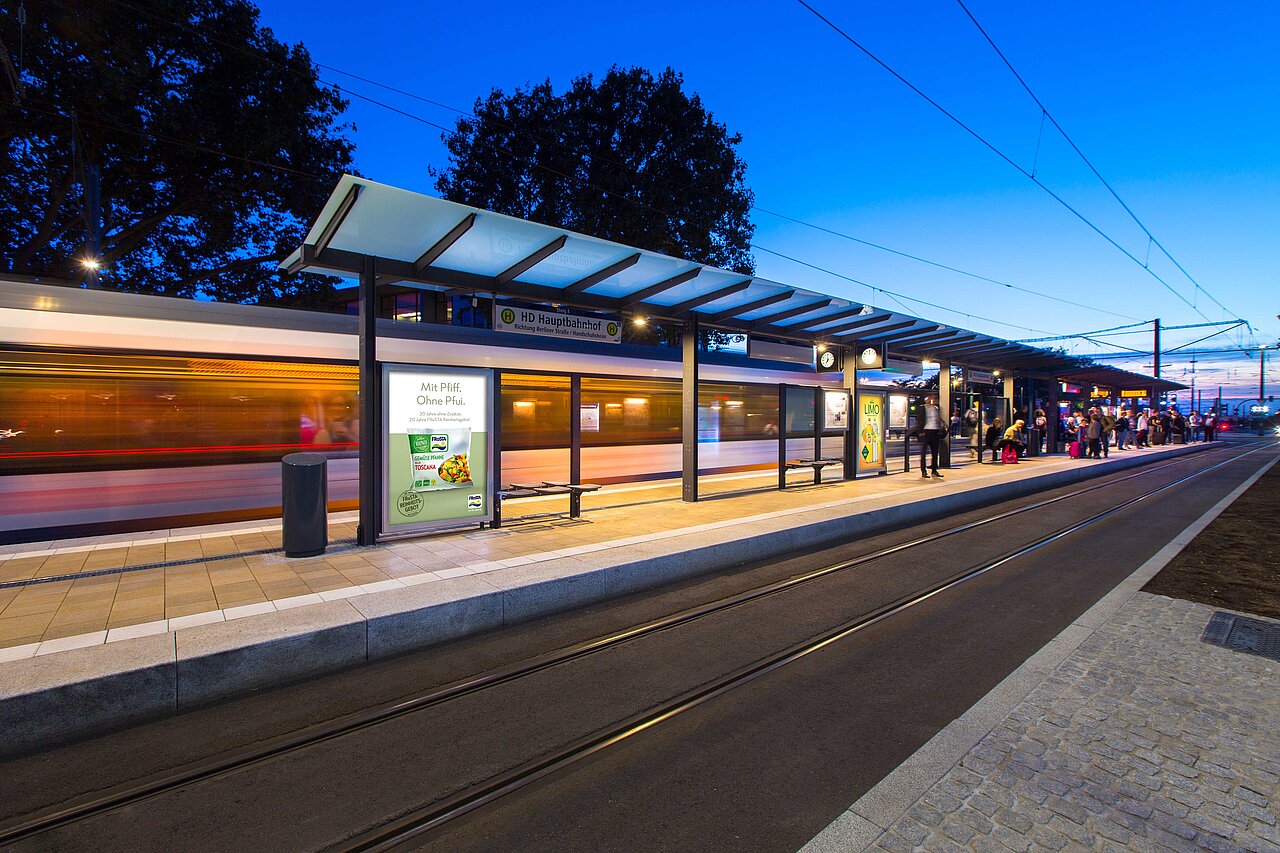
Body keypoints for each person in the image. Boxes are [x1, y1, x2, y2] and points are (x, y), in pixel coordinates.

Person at [916, 395, 945, 478]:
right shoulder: (922, 408)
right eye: (932, 398)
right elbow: (919, 420)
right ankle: (923, 471)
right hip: (926, 431)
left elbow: (938, 420)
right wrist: (920, 431)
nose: (934, 400)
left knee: (935, 452)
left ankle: (934, 469)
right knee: (923, 452)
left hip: (935, 431)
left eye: (935, 399)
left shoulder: (936, 408)